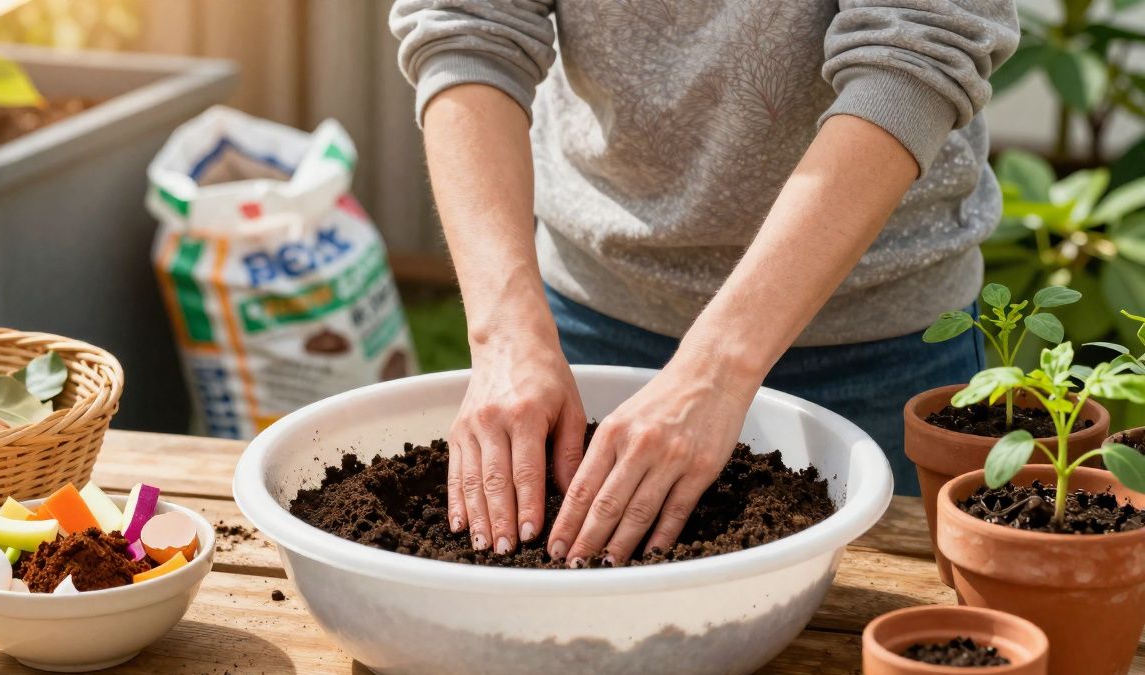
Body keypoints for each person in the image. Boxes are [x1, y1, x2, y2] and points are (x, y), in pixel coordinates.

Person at [390, 1, 1018, 566]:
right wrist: (506, 337)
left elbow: (916, 53)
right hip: (592, 319)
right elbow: (469, 28)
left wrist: (716, 369)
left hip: (875, 341)